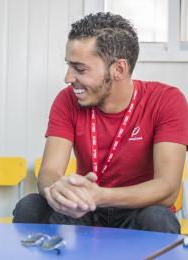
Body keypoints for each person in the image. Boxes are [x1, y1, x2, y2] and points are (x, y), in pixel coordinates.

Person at [13, 12, 188, 233]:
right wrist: (59, 190)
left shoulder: (167, 100)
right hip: (84, 207)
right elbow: (49, 171)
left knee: (158, 218)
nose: (68, 78)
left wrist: (101, 196)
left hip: (136, 208)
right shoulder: (67, 99)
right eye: (69, 66)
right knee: (31, 206)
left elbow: (168, 189)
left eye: (80, 69)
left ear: (119, 70)